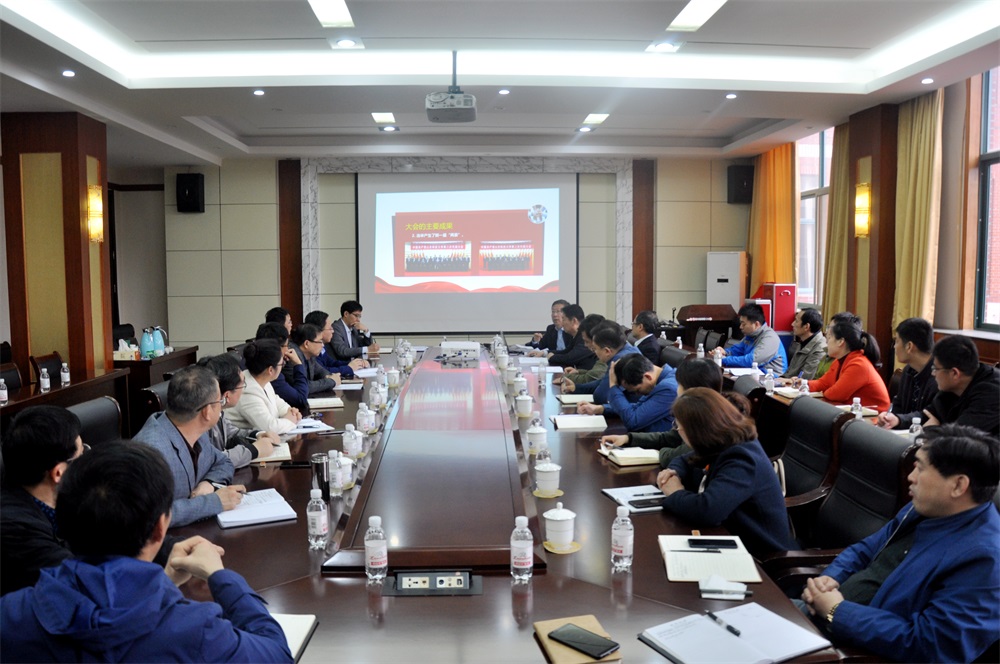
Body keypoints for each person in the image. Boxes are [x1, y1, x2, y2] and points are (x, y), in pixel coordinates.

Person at [0, 442, 293, 662]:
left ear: (62, 520)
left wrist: (162, 582)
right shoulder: (196, 630)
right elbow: (276, 653)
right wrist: (220, 576)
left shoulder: (11, 616)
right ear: (160, 528)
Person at [800, 425, 999, 663]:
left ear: (958, 485)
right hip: (827, 615)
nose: (910, 477)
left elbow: (932, 645)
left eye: (920, 469)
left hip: (852, 649)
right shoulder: (924, 508)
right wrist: (831, 577)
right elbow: (866, 549)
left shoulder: (985, 559)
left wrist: (837, 612)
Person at [655, 388, 792, 558]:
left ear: (696, 431)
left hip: (761, 556)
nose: (678, 431)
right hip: (731, 538)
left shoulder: (742, 458)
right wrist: (673, 472)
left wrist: (675, 492)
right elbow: (684, 459)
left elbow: (708, 511)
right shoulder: (723, 440)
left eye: (678, 426)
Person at [133, 366, 244, 528]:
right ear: (207, 412)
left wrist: (209, 483)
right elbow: (153, 516)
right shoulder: (152, 452)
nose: (222, 406)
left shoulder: (196, 430)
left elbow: (222, 462)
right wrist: (213, 502)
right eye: (220, 401)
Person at [1, 407, 85, 595]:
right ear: (58, 473)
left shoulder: (62, 500)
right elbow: (81, 583)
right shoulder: (15, 530)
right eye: (81, 455)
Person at [600, 357, 724, 466]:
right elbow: (671, 437)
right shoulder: (702, 408)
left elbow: (684, 452)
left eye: (679, 384)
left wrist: (660, 452)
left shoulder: (706, 417)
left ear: (690, 390)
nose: (677, 388)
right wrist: (628, 438)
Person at [198, 354, 278, 468]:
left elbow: (231, 433)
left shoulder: (218, 410)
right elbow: (213, 461)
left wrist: (257, 435)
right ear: (227, 395)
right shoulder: (200, 419)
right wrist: (254, 450)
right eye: (242, 385)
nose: (244, 389)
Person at [578, 353, 678, 433]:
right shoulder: (661, 382)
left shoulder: (668, 388)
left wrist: (613, 386)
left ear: (647, 377)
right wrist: (601, 409)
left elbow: (633, 421)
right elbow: (639, 408)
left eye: (638, 390)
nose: (638, 395)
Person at [806, 318, 890, 411]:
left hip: (873, 416)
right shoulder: (839, 361)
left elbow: (836, 394)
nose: (826, 342)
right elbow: (823, 383)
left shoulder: (859, 364)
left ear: (840, 341)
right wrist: (804, 384)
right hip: (852, 412)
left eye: (830, 338)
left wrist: (823, 392)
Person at [923, 335, 999, 436]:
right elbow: (929, 413)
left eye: (935, 369)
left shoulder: (991, 394)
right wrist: (901, 420)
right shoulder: (953, 387)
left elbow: (958, 437)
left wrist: (931, 429)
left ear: (955, 373)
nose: (933, 373)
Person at [227, 339, 303, 435]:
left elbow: (277, 402)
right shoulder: (247, 391)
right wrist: (290, 421)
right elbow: (270, 428)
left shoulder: (262, 380)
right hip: (245, 441)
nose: (282, 366)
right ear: (270, 370)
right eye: (282, 364)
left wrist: (291, 412)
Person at [877, 317, 938, 430]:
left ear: (909, 346)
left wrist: (899, 420)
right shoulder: (908, 371)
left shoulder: (940, 376)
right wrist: (888, 417)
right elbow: (898, 405)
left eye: (897, 341)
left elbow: (930, 415)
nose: (894, 346)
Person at [563, 321, 640, 404]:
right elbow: (603, 382)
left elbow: (600, 396)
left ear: (607, 351)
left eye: (595, 349)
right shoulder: (629, 349)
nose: (594, 352)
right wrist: (576, 388)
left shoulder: (619, 360)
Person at [255, 321, 310, 411]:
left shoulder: (258, 361)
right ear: (277, 347)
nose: (288, 350)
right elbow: (300, 399)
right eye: (286, 345)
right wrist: (298, 364)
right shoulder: (269, 370)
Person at [720, 303, 787, 373]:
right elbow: (738, 350)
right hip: (756, 373)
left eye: (744, 324)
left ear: (756, 324)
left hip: (772, 376)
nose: (740, 327)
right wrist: (724, 352)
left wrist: (724, 360)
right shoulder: (751, 335)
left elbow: (751, 360)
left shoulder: (770, 338)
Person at [304, 309, 366, 376]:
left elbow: (332, 363)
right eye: (330, 328)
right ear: (318, 330)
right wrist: (349, 368)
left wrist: (356, 363)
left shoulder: (323, 346)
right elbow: (324, 371)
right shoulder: (311, 349)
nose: (333, 331)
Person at [535, 304, 596, 370]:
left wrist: (552, 357)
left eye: (563, 319)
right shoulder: (576, 335)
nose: (562, 323)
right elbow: (566, 351)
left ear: (574, 321)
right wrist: (546, 352)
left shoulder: (585, 336)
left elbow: (570, 358)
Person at [289, 323, 341, 394]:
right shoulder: (292, 356)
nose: (322, 345)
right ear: (306, 344)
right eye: (320, 341)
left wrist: (329, 376)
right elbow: (304, 386)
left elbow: (321, 371)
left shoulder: (310, 356)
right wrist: (331, 381)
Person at [555, 314, 606, 385]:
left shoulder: (607, 353)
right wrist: (579, 372)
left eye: (587, 341)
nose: (585, 345)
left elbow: (590, 378)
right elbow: (596, 374)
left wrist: (565, 378)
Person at [781, 308, 827, 380]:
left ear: (806, 327)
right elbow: (789, 372)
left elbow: (805, 379)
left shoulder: (820, 349)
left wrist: (782, 381)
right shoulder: (803, 342)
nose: (792, 324)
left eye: (796, 321)